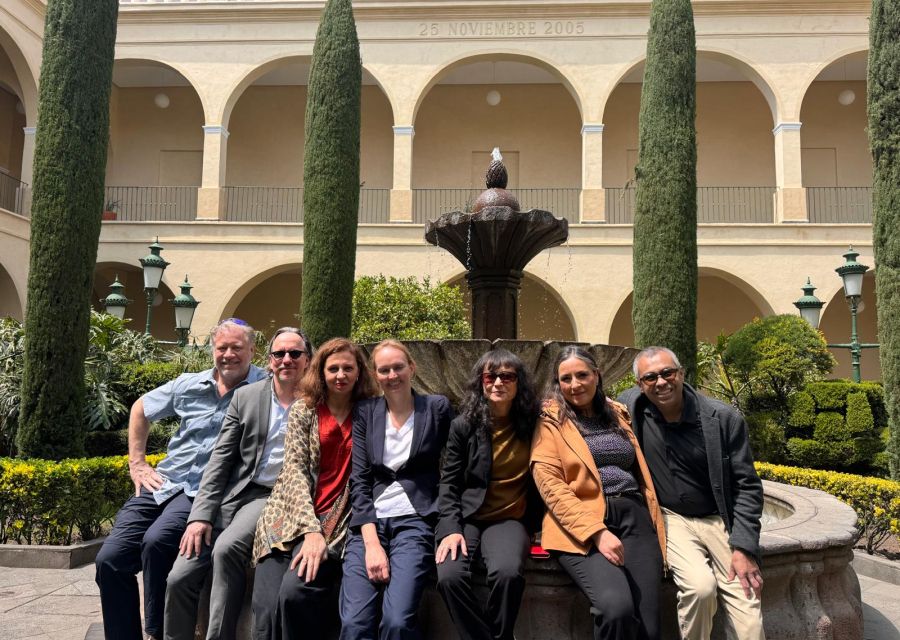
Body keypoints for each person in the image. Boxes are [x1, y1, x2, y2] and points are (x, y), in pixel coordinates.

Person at [95, 319, 266, 640]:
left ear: (252, 350)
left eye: (237, 348)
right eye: (222, 348)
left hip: (204, 491)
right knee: (109, 560)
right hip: (163, 482)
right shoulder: (189, 384)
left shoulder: (263, 388)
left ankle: (158, 632)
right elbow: (140, 408)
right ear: (212, 350)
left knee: (157, 542)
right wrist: (137, 463)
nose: (229, 354)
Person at [163, 327, 312, 640]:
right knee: (179, 577)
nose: (286, 360)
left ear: (308, 360)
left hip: (278, 497)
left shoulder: (317, 401)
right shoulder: (246, 398)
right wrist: (200, 516)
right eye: (279, 354)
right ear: (269, 360)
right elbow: (219, 461)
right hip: (236, 497)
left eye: (294, 354)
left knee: (227, 548)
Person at [618, 346, 765, 640]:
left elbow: (747, 485)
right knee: (700, 589)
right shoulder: (630, 408)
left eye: (667, 373)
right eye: (650, 377)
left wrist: (744, 547)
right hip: (674, 519)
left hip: (721, 520)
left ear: (681, 373)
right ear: (639, 385)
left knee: (750, 622)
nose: (660, 382)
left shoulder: (721, 419)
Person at [531, 346, 665, 640]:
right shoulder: (550, 420)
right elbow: (550, 485)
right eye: (566, 379)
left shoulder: (617, 413)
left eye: (582, 375)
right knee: (615, 609)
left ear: (597, 375)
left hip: (634, 518)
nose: (575, 384)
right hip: (581, 524)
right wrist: (597, 532)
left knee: (650, 626)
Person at [251, 338, 377, 640]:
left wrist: (321, 534)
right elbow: (293, 472)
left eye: (348, 368)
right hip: (289, 515)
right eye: (333, 368)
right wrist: (310, 531)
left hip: (337, 521)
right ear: (320, 372)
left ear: (360, 372)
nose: (340, 375)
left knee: (295, 594)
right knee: (267, 606)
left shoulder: (370, 412)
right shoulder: (304, 411)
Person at [339, 339, 454, 640]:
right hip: (369, 526)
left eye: (398, 367)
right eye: (384, 370)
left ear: (412, 368)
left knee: (398, 622)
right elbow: (360, 479)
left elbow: (458, 458)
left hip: (414, 522)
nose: (392, 375)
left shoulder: (436, 408)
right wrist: (372, 544)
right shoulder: (366, 411)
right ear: (376, 375)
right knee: (354, 624)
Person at [435, 349, 541, 640]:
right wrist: (450, 529)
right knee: (449, 576)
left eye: (507, 376)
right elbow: (450, 483)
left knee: (507, 574)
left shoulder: (534, 423)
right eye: (490, 376)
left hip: (509, 519)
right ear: (480, 382)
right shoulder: (464, 426)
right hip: (468, 517)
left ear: (519, 383)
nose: (498, 382)